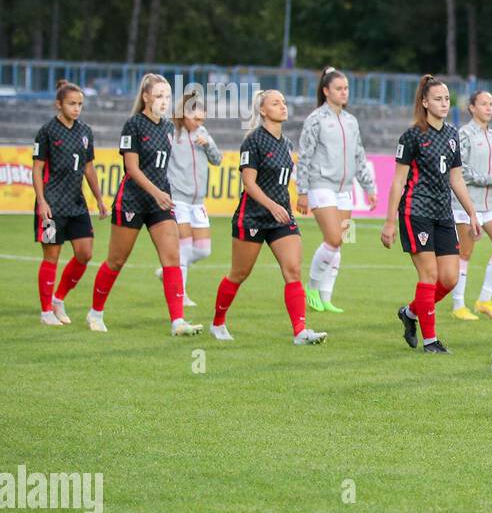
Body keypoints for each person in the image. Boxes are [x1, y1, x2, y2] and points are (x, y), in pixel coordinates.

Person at [87, 73, 203, 336]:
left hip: (159, 203)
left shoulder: (166, 127)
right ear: (146, 97)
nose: (164, 101)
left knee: (172, 258)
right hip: (133, 200)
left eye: (168, 96)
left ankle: (178, 322)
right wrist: (156, 192)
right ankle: (95, 313)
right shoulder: (134, 125)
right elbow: (132, 168)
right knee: (116, 260)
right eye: (159, 95)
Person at [210, 90, 326, 344]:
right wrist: (272, 205)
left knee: (293, 270)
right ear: (263, 110)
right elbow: (249, 184)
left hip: (281, 217)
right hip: (252, 216)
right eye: (276, 103)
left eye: (284, 102)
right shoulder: (253, 141)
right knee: (239, 273)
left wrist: (298, 197)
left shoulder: (286, 144)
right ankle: (217, 322)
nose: (283, 106)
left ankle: (300, 332)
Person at [383, 75, 481, 353]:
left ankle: (410, 313)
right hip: (416, 212)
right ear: (425, 102)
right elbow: (398, 181)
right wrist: (390, 222)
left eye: (447, 99)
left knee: (449, 279)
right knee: (428, 274)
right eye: (437, 99)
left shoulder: (452, 135)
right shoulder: (412, 135)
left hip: (443, 214)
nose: (444, 103)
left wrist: (472, 213)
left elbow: (457, 179)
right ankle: (431, 341)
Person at [295, 66, 377, 313]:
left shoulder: (351, 121)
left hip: (345, 190)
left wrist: (368, 187)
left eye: (346, 88)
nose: (344, 93)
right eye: (339, 88)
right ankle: (310, 287)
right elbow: (305, 156)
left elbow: (359, 155)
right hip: (321, 185)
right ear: (326, 91)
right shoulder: (315, 119)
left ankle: (325, 296)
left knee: (339, 243)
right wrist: (302, 191)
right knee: (333, 238)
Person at [33, 80, 106, 325]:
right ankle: (45, 313)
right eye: (72, 104)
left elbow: (88, 167)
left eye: (80, 104)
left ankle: (58, 299)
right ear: (59, 104)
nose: (76, 108)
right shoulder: (47, 131)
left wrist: (99, 199)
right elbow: (37, 168)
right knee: (51, 257)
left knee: (85, 253)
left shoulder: (85, 131)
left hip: (76, 203)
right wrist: (41, 201)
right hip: (52, 204)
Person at [450, 89, 492, 322]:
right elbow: (460, 171)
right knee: (465, 253)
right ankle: (458, 305)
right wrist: (490, 179)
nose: (489, 108)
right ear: (472, 108)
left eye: (491, 104)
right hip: (467, 203)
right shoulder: (463, 135)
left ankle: (484, 300)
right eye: (484, 104)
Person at [157, 88, 223, 307]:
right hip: (178, 199)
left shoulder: (202, 133)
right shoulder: (171, 134)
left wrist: (209, 144)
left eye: (201, 119)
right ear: (183, 114)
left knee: (203, 250)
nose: (198, 122)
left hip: (198, 201)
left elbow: (217, 159)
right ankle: (181, 294)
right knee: (183, 248)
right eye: (195, 118)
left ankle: (169, 271)